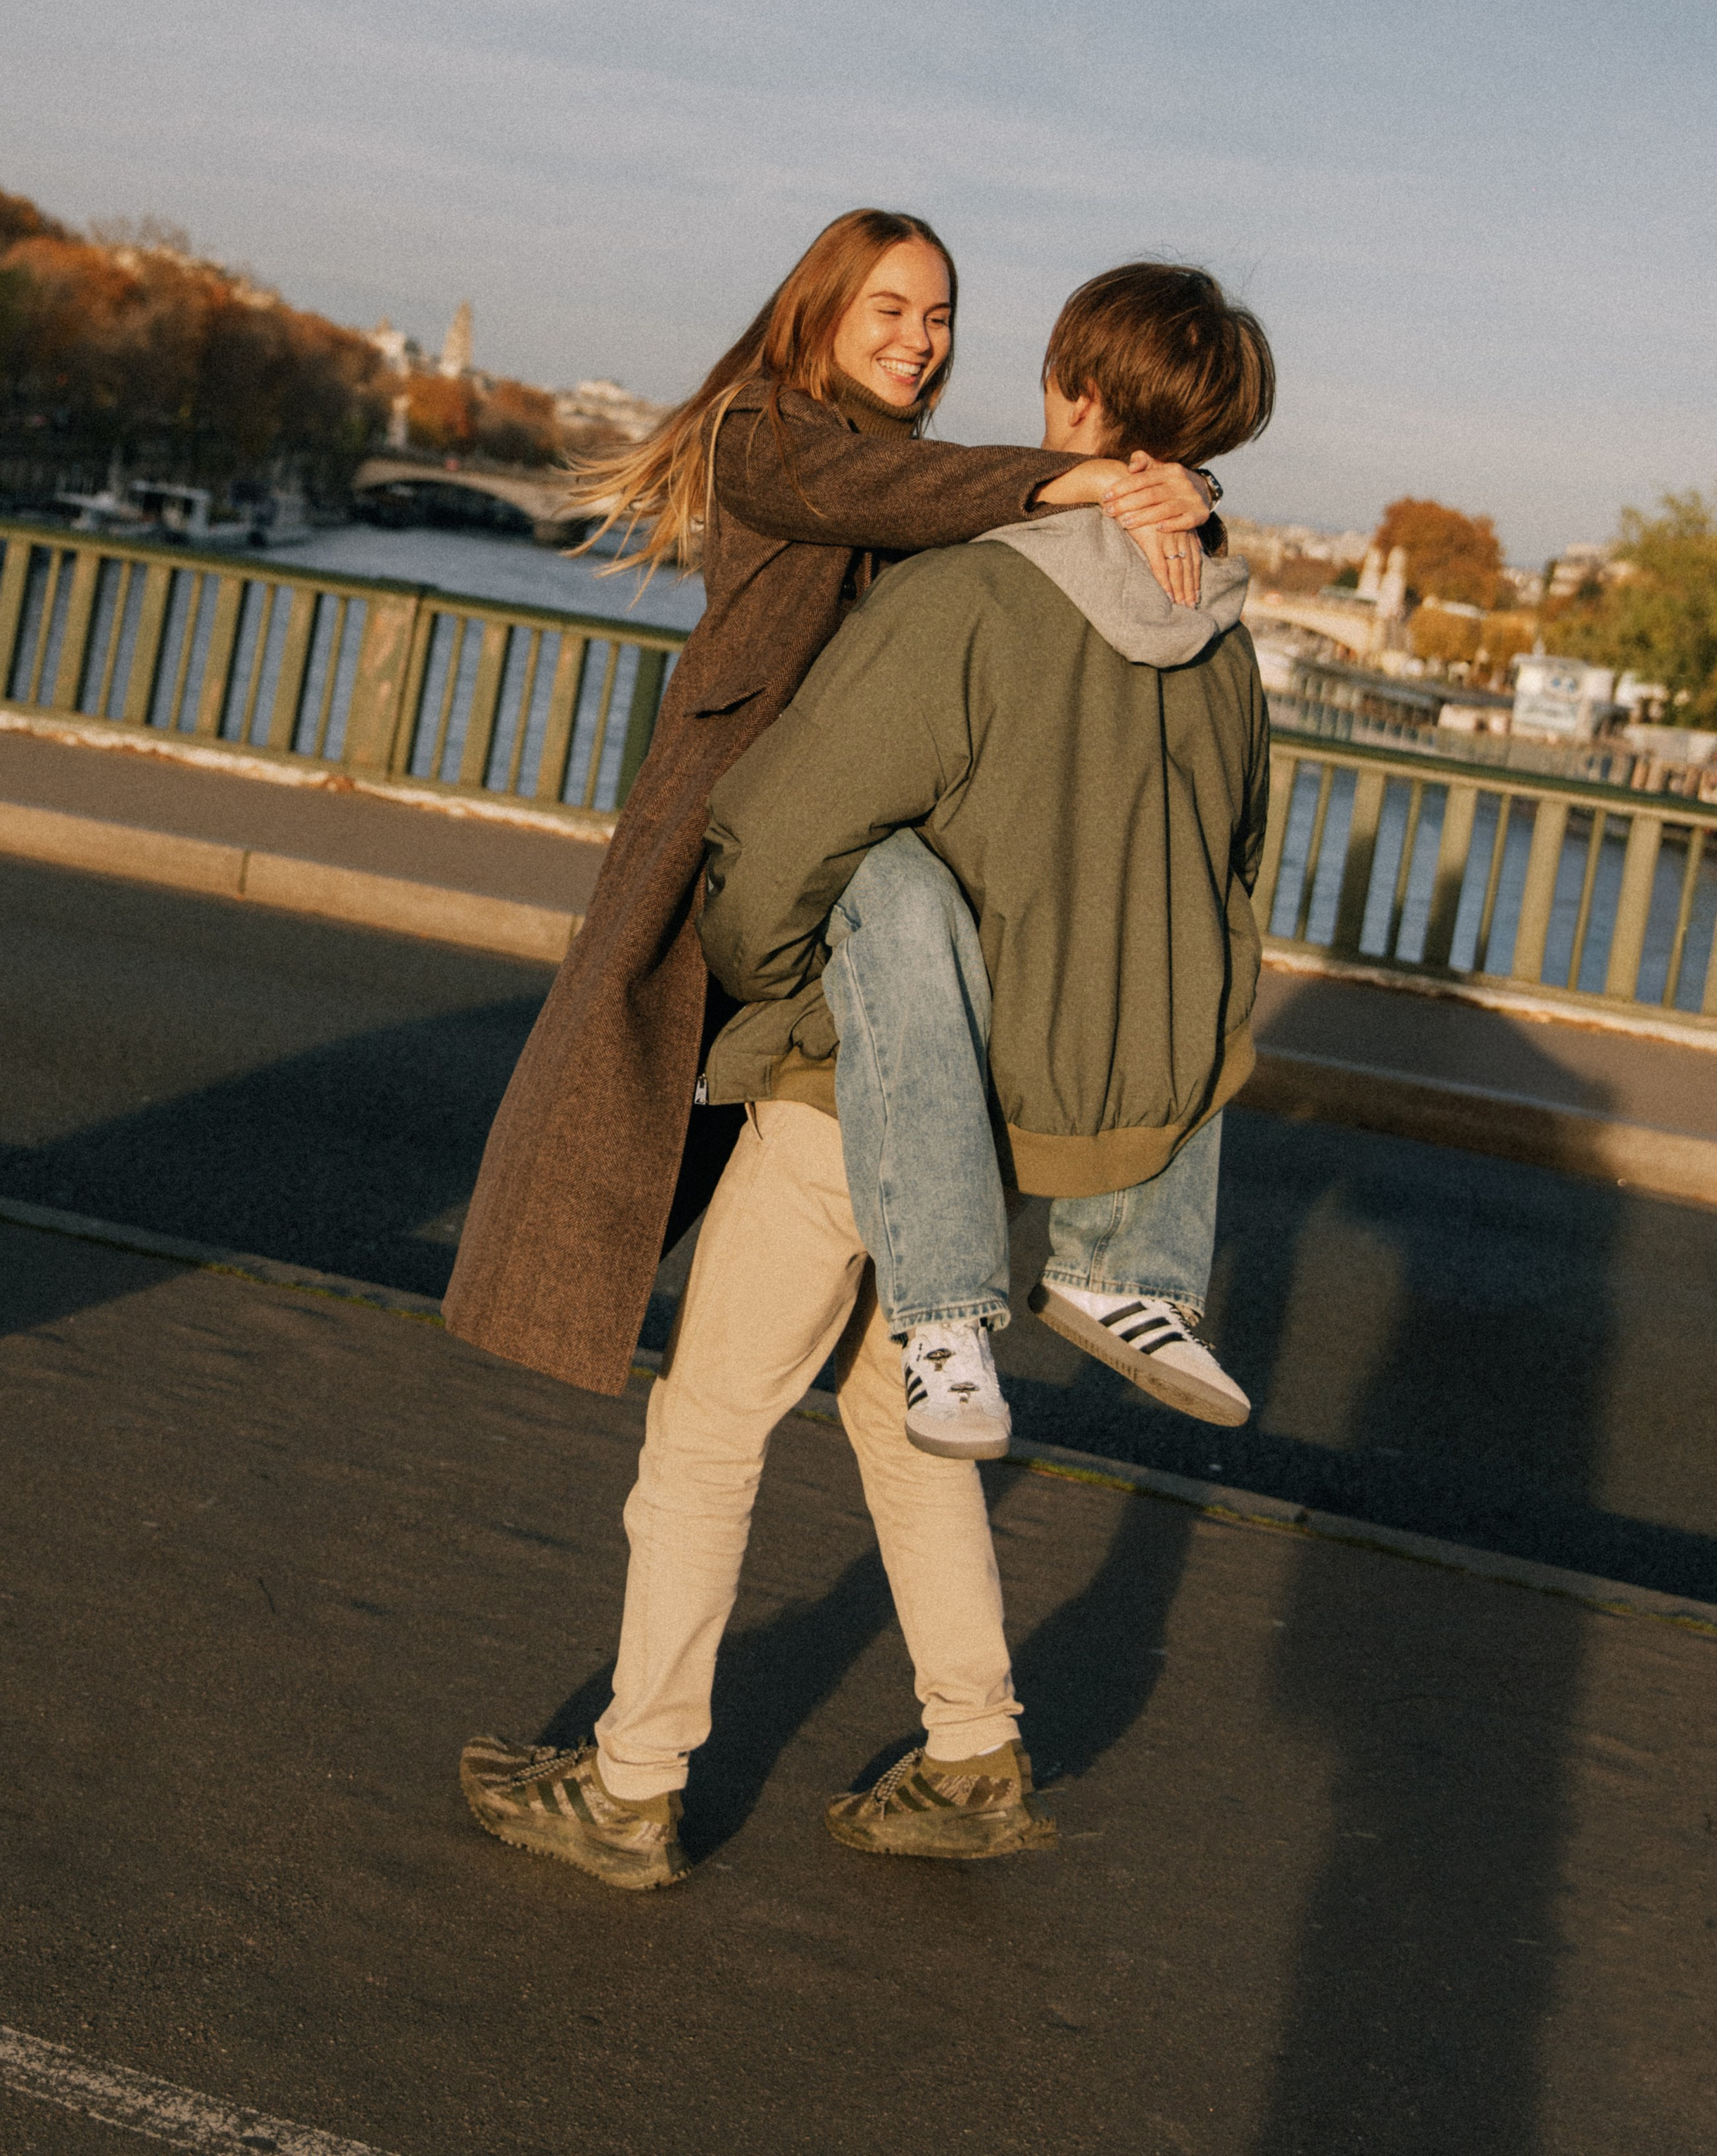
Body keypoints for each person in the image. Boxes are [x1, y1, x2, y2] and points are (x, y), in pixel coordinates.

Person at [458, 260, 1271, 1886]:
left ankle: (628, 1787)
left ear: (1076, 398)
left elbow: (785, 837)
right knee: (898, 1415)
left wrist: (776, 985)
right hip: (1017, 1107)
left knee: (703, 1431)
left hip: (860, 1084)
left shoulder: (973, 596)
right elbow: (1219, 889)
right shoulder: (1219, 642)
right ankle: (971, 1752)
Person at [441, 209, 1221, 1403]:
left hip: (850, 812)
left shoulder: (936, 474)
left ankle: (1023, 1296)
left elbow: (952, 508)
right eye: (893, 310)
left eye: (942, 316)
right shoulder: (765, 431)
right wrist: (1090, 479)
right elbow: (888, 488)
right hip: (741, 817)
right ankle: (984, 1298)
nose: (922, 340)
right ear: (822, 313)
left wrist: (1178, 493)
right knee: (641, 1133)